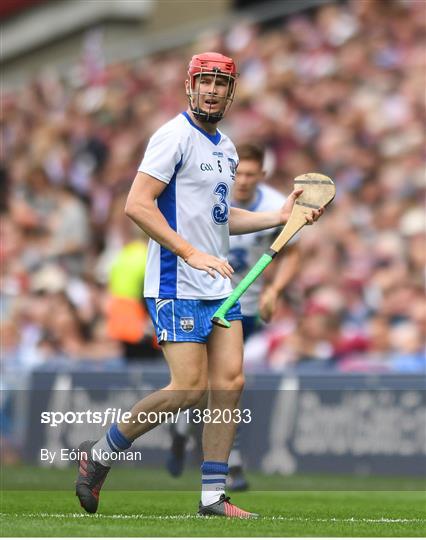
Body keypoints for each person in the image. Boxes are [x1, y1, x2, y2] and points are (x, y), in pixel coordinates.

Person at [75, 51, 323, 518]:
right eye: (204, 80)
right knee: (189, 388)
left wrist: (281, 216)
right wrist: (191, 252)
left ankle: (212, 496)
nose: (211, 89)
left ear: (231, 92)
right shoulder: (173, 136)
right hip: (175, 281)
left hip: (217, 287)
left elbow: (221, 217)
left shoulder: (226, 148)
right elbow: (137, 204)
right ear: (190, 86)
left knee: (229, 383)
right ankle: (101, 453)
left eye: (220, 83)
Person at [165, 143, 301, 490]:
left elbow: (292, 253)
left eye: (250, 175)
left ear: (262, 176)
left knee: (221, 386)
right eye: (238, 172)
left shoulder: (273, 205)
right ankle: (231, 466)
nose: (242, 180)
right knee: (220, 384)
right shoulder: (215, 192)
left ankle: (183, 429)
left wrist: (274, 290)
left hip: (248, 306)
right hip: (207, 297)